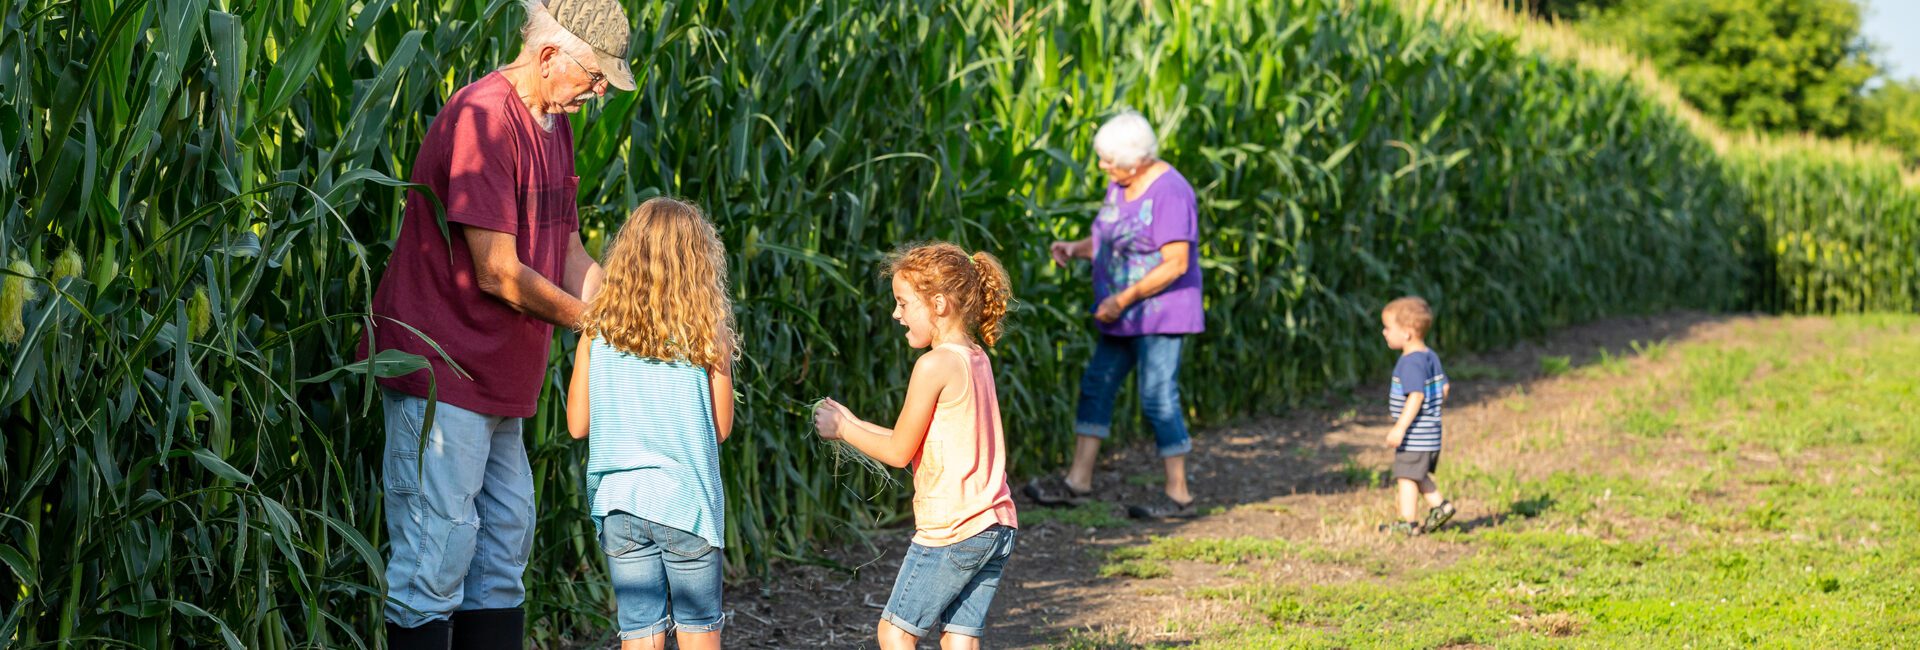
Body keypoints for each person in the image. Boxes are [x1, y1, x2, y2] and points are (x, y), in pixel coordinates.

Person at [357, 0, 637, 645]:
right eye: (595, 78)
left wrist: (624, 313)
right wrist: (593, 327)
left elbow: (566, 248)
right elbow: (498, 271)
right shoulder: (483, 120)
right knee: (433, 565)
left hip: (501, 382)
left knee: (503, 558)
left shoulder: (551, 122)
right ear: (548, 57)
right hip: (444, 376)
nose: (597, 94)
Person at [813, 243, 1020, 650]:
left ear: (938, 303)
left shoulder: (934, 365)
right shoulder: (975, 357)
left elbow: (897, 452)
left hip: (953, 530)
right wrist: (850, 421)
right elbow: (909, 434)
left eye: (904, 303)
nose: (896, 313)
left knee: (895, 632)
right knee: (960, 638)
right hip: (994, 524)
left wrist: (841, 429)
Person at [567, 198, 736, 649]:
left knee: (640, 633)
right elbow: (720, 428)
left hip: (620, 505)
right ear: (699, 260)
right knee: (699, 631)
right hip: (686, 506)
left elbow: (577, 425)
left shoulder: (597, 330)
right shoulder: (707, 330)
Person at [1025, 110, 1207, 519]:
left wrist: (1122, 300)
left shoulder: (1171, 191)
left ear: (1139, 158)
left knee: (1158, 397)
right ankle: (1077, 482)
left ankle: (1179, 496)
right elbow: (1108, 236)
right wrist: (1076, 248)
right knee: (1097, 385)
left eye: (1110, 161)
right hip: (1119, 315)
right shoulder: (1119, 184)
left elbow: (1176, 262)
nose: (1104, 167)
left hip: (1160, 315)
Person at [1378, 296, 1457, 535]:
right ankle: (1440, 506)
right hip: (1431, 431)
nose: (1384, 332)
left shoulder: (1410, 363)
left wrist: (1401, 427)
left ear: (1408, 332)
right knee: (1417, 473)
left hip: (1415, 434)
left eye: (1389, 328)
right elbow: (1444, 388)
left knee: (1406, 477)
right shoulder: (1430, 356)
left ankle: (1408, 522)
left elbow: (1416, 396)